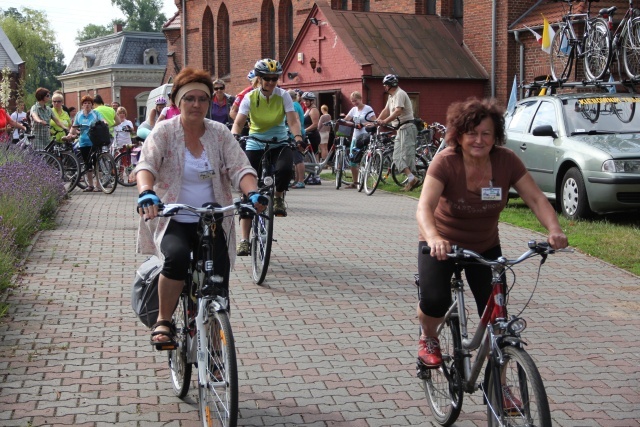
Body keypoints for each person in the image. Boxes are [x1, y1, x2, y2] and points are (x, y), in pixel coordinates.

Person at [415, 97, 568, 372]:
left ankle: (500, 386)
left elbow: (535, 199)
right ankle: (429, 337)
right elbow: (424, 207)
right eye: (471, 133)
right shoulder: (445, 162)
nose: (479, 140)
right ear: (458, 136)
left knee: (499, 318)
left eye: (486, 133)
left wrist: (554, 230)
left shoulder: (506, 161)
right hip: (442, 243)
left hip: (484, 246)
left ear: (496, 135)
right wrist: (435, 238)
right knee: (435, 300)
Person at [134, 67, 266, 347]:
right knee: (177, 258)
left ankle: (217, 349)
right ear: (177, 102)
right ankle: (164, 321)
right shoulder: (165, 131)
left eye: (202, 99)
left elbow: (240, 167)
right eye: (190, 98)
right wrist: (146, 191)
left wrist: (252, 193)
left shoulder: (219, 133)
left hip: (213, 218)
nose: (196, 104)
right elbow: (146, 165)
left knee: (218, 277)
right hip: (173, 217)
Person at [231, 58, 302, 256]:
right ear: (259, 79)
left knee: (286, 168)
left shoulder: (284, 96)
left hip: (279, 142)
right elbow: (238, 123)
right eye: (267, 79)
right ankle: (244, 240)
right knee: (248, 189)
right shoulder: (250, 98)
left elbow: (292, 120)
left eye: (274, 78)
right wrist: (234, 136)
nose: (271, 82)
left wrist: (297, 137)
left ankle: (278, 199)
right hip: (255, 142)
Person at [375, 74, 419, 191]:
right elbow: (386, 110)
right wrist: (377, 121)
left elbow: (398, 111)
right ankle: (411, 178)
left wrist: (385, 121)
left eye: (385, 85)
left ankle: (414, 180)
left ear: (390, 85)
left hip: (407, 127)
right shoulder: (391, 96)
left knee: (407, 155)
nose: (384, 87)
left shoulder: (400, 94)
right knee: (397, 157)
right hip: (400, 129)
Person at [63, 95, 105, 192]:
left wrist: (104, 123)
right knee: (87, 164)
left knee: (96, 163)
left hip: (94, 141)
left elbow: (102, 120)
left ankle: (98, 185)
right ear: (82, 105)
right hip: (83, 141)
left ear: (92, 105)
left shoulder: (96, 113)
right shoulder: (79, 114)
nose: (87, 105)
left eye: (89, 103)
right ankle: (90, 185)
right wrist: (70, 135)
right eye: (85, 103)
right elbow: (74, 127)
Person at [344, 91, 376, 189]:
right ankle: (355, 182)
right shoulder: (353, 110)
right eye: (353, 101)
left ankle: (366, 180)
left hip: (365, 137)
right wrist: (342, 122)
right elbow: (346, 119)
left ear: (360, 99)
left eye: (356, 101)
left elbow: (374, 122)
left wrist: (363, 124)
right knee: (353, 160)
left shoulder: (368, 109)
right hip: (355, 136)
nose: (354, 103)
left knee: (364, 159)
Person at [288, 89, 307, 189]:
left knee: (298, 159)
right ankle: (296, 180)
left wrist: (297, 135)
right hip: (297, 134)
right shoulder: (297, 104)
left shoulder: (293, 106)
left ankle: (301, 181)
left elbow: (296, 120)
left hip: (295, 135)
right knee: (296, 159)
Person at [301, 92, 321, 159]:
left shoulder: (313, 110)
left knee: (313, 155)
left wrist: (304, 130)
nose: (305, 102)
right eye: (304, 100)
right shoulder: (308, 109)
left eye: (306, 100)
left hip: (313, 136)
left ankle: (315, 168)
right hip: (308, 135)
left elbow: (315, 125)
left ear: (312, 101)